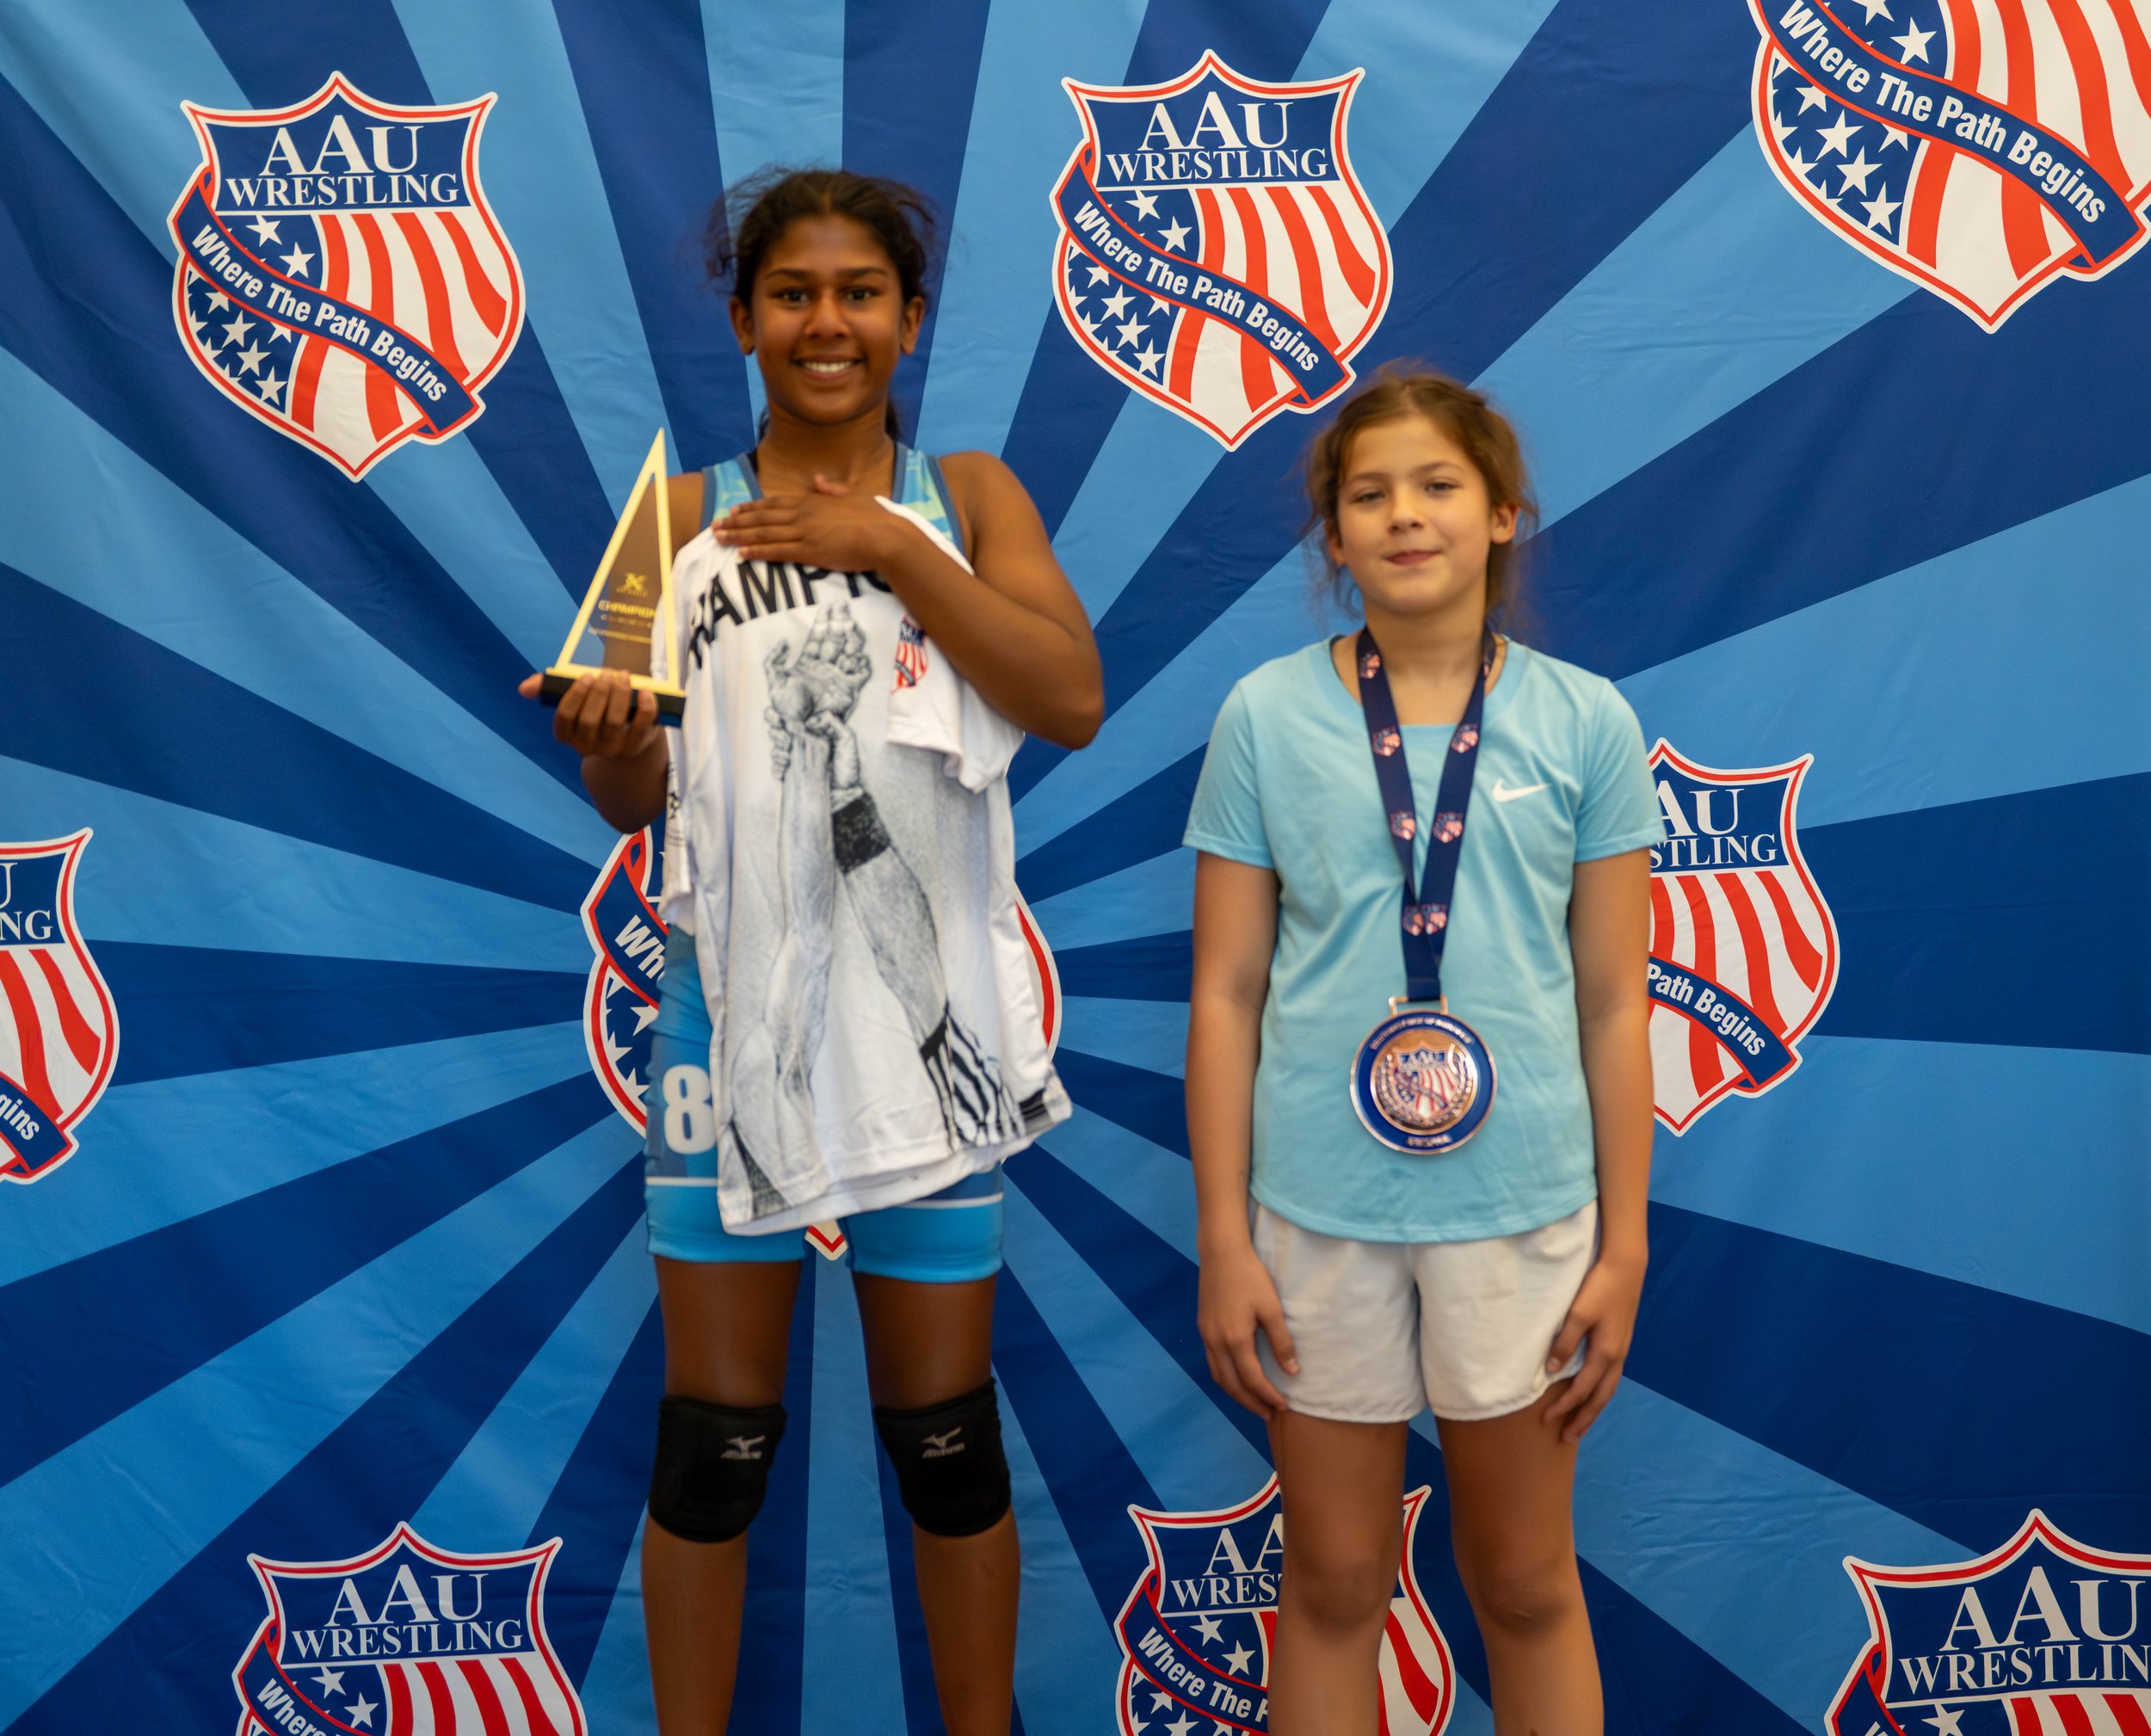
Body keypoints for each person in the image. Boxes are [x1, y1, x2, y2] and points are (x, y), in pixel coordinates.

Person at [521, 167, 1102, 1736]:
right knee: (713, 1442)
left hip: (922, 1015)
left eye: (859, 292)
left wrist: (890, 550)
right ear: (742, 319)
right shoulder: (679, 519)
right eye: (793, 294)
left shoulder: (968, 498)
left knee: (947, 1440)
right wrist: (605, 746)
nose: (826, 322)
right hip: (733, 1013)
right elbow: (643, 784)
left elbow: (1067, 696)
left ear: (909, 320)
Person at [1182, 368, 1659, 1734]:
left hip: (1522, 1216)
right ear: (1333, 537)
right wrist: (1226, 1235)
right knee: (1332, 1578)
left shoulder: (1587, 721)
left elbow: (1616, 1005)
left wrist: (1622, 1246)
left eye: (1439, 485)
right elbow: (1224, 992)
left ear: (1504, 513)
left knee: (1521, 1582)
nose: (1406, 516)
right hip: (1318, 1215)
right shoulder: (1267, 716)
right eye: (1368, 494)